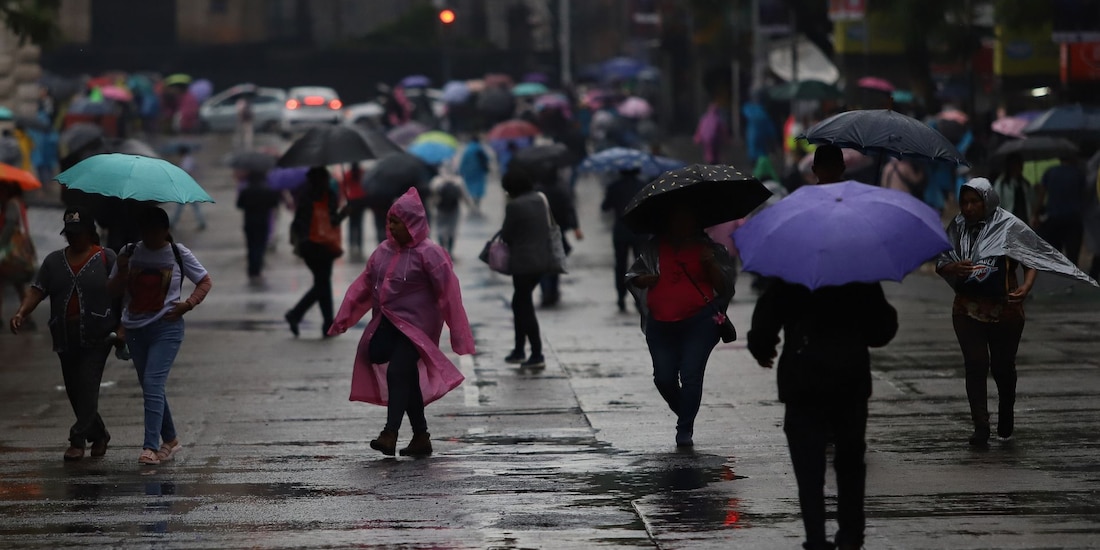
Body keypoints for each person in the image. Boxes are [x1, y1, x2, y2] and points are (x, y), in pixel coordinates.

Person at [747, 280, 898, 550]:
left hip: (802, 380)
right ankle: (851, 534)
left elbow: (764, 323)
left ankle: (816, 538)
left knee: (808, 469)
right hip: (849, 380)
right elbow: (882, 330)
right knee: (850, 462)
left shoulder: (791, 276)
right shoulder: (859, 276)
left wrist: (763, 349)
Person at [328, 188, 475, 457]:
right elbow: (363, 286)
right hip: (388, 324)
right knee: (404, 374)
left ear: (412, 223)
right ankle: (421, 437)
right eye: (390, 221)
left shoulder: (431, 254)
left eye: (397, 221)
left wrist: (459, 334)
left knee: (397, 372)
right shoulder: (383, 251)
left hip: (419, 330)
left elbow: (449, 295)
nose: (392, 226)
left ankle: (390, 433)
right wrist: (344, 318)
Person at [936, 178, 1055, 447]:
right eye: (964, 202)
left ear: (987, 201)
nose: (968, 208)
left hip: (1006, 310)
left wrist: (1026, 287)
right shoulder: (957, 227)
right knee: (975, 364)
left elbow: (1031, 259)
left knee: (1002, 367)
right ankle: (980, 425)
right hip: (967, 309)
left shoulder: (1009, 226)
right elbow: (942, 262)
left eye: (974, 202)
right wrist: (954, 268)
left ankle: (1006, 409)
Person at [9, 208, 118, 461]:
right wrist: (21, 313)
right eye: (69, 233)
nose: (73, 238)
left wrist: (124, 327)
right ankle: (99, 434)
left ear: (90, 233)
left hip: (98, 336)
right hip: (65, 336)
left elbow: (123, 292)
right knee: (74, 390)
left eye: (78, 233)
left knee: (88, 386)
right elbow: (37, 290)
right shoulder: (53, 262)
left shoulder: (106, 258)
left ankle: (77, 440)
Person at [625, 203, 738, 447]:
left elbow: (725, 287)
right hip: (660, 325)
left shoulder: (710, 249)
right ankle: (685, 411)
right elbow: (634, 277)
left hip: (699, 324)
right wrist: (645, 279)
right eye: (676, 220)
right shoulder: (654, 248)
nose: (681, 225)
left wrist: (710, 264)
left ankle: (684, 428)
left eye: (686, 220)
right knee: (663, 379)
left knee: (690, 375)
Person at [108, 206, 212, 465]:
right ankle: (171, 440)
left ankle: (150, 446)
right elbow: (112, 291)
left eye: (155, 231)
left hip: (167, 328)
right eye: (146, 231)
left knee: (153, 383)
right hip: (135, 328)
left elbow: (205, 281)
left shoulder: (178, 253)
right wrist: (122, 270)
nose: (150, 237)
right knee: (150, 386)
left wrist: (188, 304)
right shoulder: (128, 252)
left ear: (166, 231)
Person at [500, 170, 556, 369]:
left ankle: (536, 353)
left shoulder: (514, 206)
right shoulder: (540, 199)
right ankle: (519, 350)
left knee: (523, 305)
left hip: (523, 263)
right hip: (542, 260)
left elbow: (506, 235)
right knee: (519, 303)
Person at [285, 167, 342, 338]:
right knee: (322, 284)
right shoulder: (328, 195)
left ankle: (327, 324)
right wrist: (344, 214)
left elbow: (298, 221)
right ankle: (296, 314)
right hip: (323, 246)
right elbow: (332, 221)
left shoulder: (305, 196)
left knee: (322, 283)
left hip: (308, 246)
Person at [601, 166, 648, 312]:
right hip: (639, 231)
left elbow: (605, 207)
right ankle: (639, 298)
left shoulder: (614, 186)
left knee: (620, 264)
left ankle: (621, 297)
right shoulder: (643, 186)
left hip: (620, 231)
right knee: (640, 266)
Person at [1034, 156, 1086, 266]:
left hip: (1054, 219)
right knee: (1073, 255)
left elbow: (1041, 196)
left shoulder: (1050, 172)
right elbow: (1084, 196)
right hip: (1074, 220)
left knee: (1056, 255)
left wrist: (1036, 214)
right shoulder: (1078, 173)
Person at [236, 171, 281, 285]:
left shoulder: (246, 190)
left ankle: (252, 270)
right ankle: (257, 270)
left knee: (251, 246)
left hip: (249, 222)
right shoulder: (268, 190)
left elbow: (239, 204)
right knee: (260, 246)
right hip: (263, 222)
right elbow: (275, 203)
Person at [0, 184, 35, 324]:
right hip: (17, 253)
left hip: (11, 252)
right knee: (17, 285)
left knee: (8, 282)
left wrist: (1, 244)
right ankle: (26, 317)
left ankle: (25, 317)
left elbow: (10, 225)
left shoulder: (11, 204)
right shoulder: (18, 203)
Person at [429, 169, 468, 256]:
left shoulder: (436, 181)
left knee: (440, 228)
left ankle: (441, 250)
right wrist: (469, 205)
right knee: (452, 230)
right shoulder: (458, 181)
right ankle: (450, 252)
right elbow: (464, 195)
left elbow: (431, 195)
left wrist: (431, 207)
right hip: (454, 209)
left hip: (440, 208)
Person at [169, 146, 207, 231]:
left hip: (187, 187)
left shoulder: (187, 160)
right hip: (190, 186)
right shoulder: (189, 159)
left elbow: (186, 172)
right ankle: (201, 222)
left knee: (180, 206)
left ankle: (173, 223)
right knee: (192, 206)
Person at [993, 153, 1033, 223]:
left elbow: (1031, 201)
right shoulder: (1001, 183)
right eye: (1015, 164)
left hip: (1024, 220)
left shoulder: (1024, 183)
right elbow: (996, 203)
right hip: (1009, 220)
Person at [340, 163, 368, 259]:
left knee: (351, 224)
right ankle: (359, 245)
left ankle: (351, 245)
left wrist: (343, 197)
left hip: (351, 200)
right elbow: (367, 183)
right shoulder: (362, 173)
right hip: (361, 200)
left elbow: (343, 187)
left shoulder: (348, 174)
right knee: (359, 224)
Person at [457, 138, 490, 211]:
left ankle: (472, 203)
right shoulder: (480, 149)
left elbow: (463, 161)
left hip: (469, 172)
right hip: (479, 172)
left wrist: (460, 171)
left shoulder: (467, 150)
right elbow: (487, 158)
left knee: (470, 188)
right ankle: (477, 203)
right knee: (479, 187)